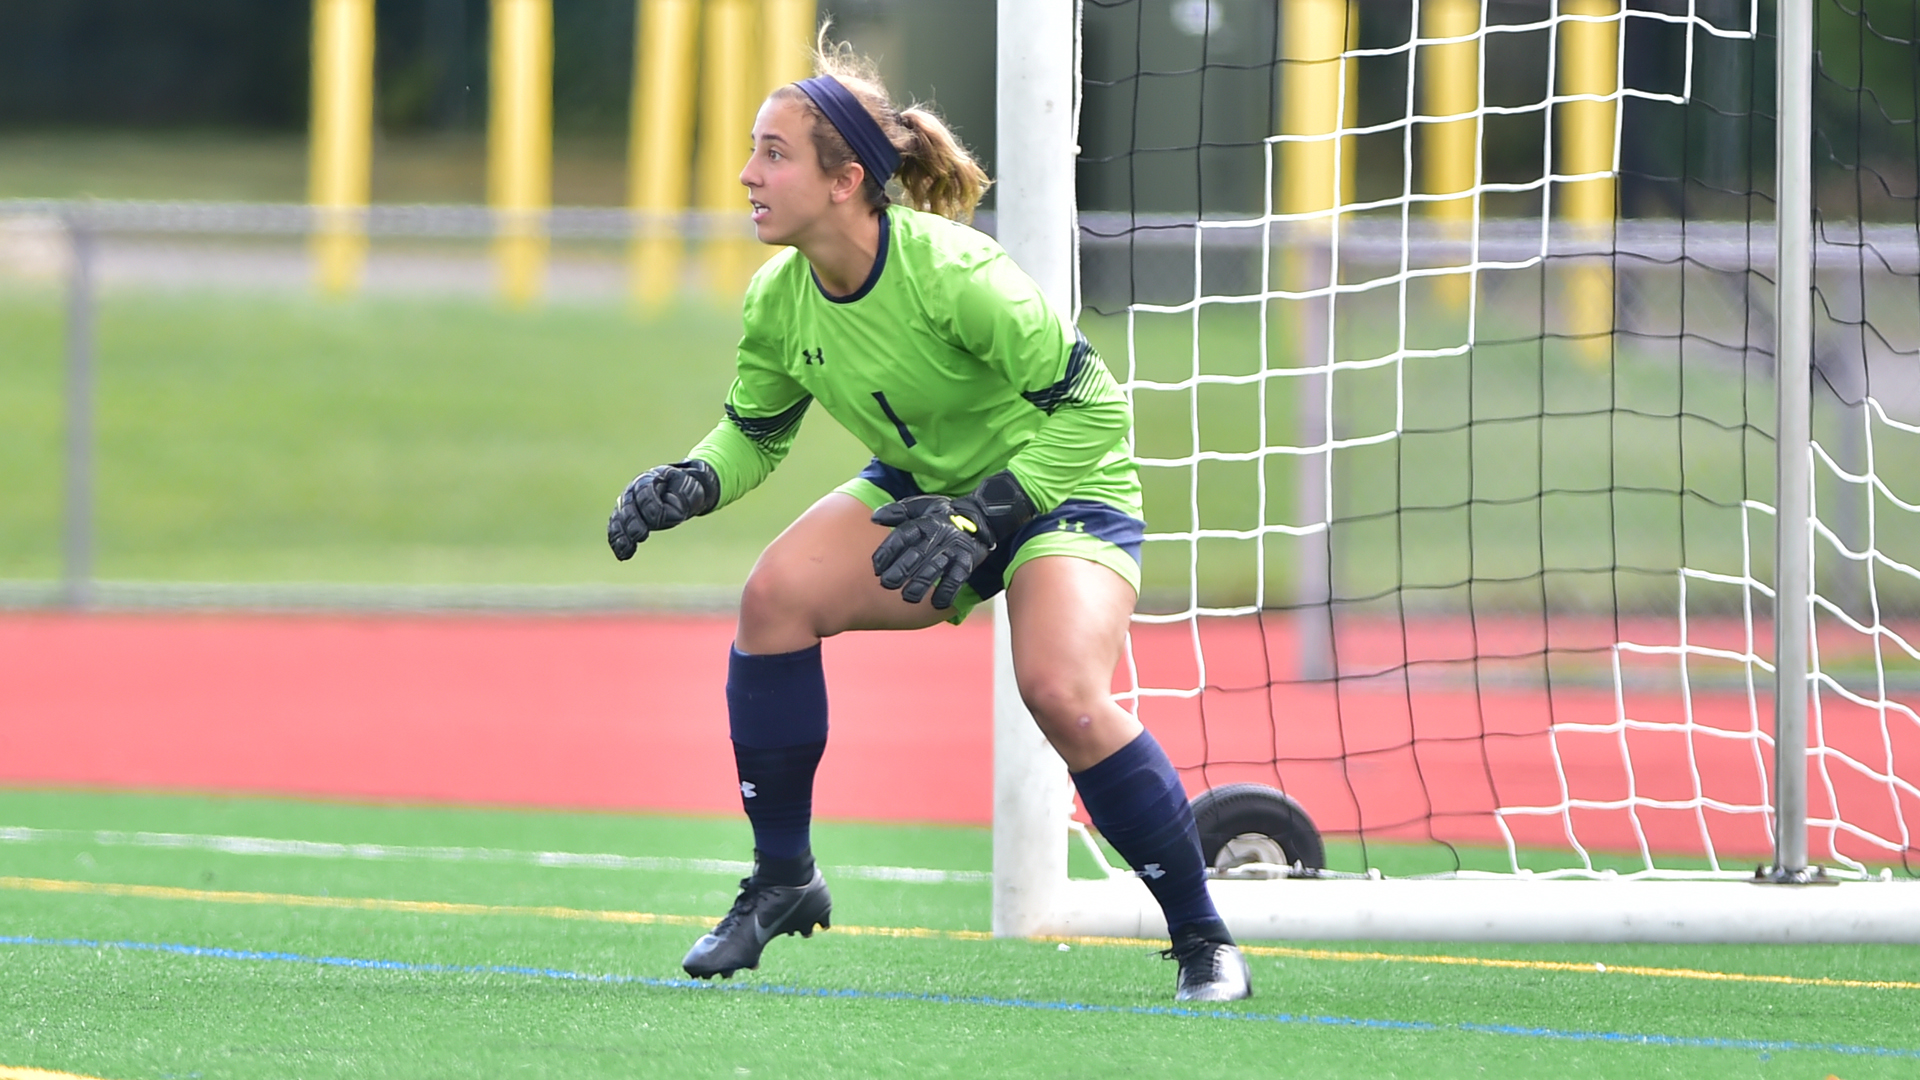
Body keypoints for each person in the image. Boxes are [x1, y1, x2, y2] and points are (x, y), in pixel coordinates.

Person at [605, 36, 1250, 1003]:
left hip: (1062, 490)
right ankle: (783, 879)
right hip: (925, 496)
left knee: (1060, 692)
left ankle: (1204, 938)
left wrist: (988, 513)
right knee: (773, 601)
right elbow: (755, 434)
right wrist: (693, 480)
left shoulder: (956, 273)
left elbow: (1095, 410)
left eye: (774, 153)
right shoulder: (778, 299)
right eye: (754, 149)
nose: (747, 173)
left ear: (845, 181)